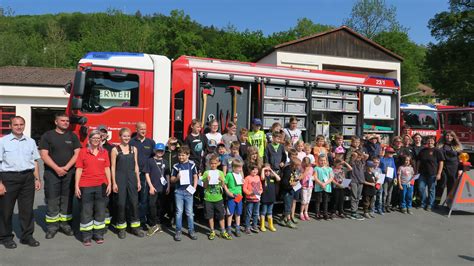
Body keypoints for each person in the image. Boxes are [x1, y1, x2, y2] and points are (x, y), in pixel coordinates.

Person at [0, 116, 41, 249]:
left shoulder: (30, 141)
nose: (19, 127)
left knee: (27, 210)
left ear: (24, 125)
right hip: (8, 178)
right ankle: (5, 237)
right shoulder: (3, 142)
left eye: (21, 124)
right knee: (6, 211)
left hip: (27, 178)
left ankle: (27, 236)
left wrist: (37, 179)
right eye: (16, 124)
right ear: (10, 126)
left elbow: (34, 161)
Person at [39, 113, 80, 239]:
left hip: (69, 173)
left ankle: (65, 224)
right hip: (52, 173)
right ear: (56, 122)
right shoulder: (48, 136)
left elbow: (77, 153)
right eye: (62, 120)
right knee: (52, 199)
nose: (65, 122)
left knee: (67, 200)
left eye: (67, 121)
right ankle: (52, 227)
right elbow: (44, 155)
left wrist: (66, 168)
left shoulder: (72, 136)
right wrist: (57, 169)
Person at [75, 130, 112, 246]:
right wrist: (76, 185)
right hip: (86, 186)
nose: (96, 140)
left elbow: (107, 169)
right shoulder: (83, 152)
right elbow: (79, 169)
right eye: (94, 138)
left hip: (101, 186)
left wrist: (110, 183)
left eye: (98, 138)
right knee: (86, 211)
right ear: (89, 139)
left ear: (101, 140)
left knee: (100, 211)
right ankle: (86, 236)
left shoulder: (104, 152)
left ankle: (98, 234)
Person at [111, 128, 143, 239]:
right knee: (121, 204)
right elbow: (113, 167)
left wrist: (138, 180)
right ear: (120, 137)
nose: (126, 138)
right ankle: (121, 228)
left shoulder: (134, 149)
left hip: (132, 178)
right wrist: (114, 182)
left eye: (128, 136)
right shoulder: (115, 150)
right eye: (124, 136)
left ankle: (135, 227)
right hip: (120, 178)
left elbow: (136, 165)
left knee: (134, 203)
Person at [129, 122, 156, 227]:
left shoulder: (151, 142)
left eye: (145, 129)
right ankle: (132, 218)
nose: (143, 131)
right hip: (134, 174)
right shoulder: (131, 142)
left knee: (144, 199)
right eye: (141, 129)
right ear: (136, 129)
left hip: (146, 175)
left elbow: (154, 158)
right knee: (134, 198)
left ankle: (142, 220)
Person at [170, 146, 198, 241]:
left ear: (188, 155)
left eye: (183, 155)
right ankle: (178, 230)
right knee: (179, 212)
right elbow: (172, 179)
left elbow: (195, 177)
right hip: (179, 192)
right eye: (179, 155)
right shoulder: (176, 166)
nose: (180, 157)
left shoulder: (192, 165)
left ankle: (191, 230)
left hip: (189, 191)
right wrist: (177, 178)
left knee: (190, 212)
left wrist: (194, 188)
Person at [202, 155, 232, 240]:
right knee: (210, 216)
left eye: (215, 163)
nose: (213, 165)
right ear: (209, 163)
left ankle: (223, 231)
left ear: (218, 163)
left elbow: (223, 185)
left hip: (218, 198)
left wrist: (222, 180)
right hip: (208, 198)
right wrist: (207, 180)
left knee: (221, 215)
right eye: (211, 163)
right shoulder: (206, 173)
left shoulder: (220, 173)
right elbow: (204, 186)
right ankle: (212, 231)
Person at [144, 143, 170, 237]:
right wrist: (151, 186)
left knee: (161, 207)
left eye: (161, 151)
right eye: (158, 150)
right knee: (152, 206)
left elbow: (167, 175)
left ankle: (158, 224)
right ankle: (153, 224)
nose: (160, 152)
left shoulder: (165, 162)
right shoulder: (150, 161)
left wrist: (168, 186)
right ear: (155, 151)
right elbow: (146, 174)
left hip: (163, 188)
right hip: (153, 188)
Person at [417, 136, 445, 211]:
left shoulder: (437, 151)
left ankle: (430, 205)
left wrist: (439, 173)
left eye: (431, 141)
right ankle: (423, 204)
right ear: (426, 142)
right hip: (422, 173)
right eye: (428, 141)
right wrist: (417, 171)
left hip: (432, 173)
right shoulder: (423, 150)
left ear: (434, 142)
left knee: (431, 190)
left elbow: (441, 163)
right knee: (421, 188)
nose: (430, 142)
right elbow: (419, 161)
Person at [437, 131, 462, 203]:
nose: (449, 137)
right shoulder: (440, 145)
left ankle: (449, 202)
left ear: (453, 137)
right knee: (441, 185)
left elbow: (460, 159)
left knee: (451, 186)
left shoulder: (457, 146)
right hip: (443, 167)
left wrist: (460, 169)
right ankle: (436, 202)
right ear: (444, 136)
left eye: (451, 136)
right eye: (447, 135)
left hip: (454, 168)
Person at [97, 125, 114, 225]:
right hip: (94, 178)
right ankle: (97, 220)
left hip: (106, 179)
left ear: (107, 135)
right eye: (100, 132)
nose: (102, 134)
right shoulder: (90, 146)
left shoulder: (111, 148)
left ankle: (106, 223)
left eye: (104, 132)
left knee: (107, 201)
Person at [224, 159, 244, 237]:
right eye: (239, 168)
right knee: (230, 213)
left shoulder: (240, 175)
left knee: (238, 212)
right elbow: (224, 184)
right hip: (231, 196)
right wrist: (228, 192)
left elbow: (241, 185)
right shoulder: (229, 174)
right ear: (233, 167)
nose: (240, 169)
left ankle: (237, 228)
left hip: (239, 196)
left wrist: (243, 182)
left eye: (241, 167)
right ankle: (228, 228)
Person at [280, 158, 302, 228]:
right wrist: (292, 184)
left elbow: (293, 178)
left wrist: (297, 179)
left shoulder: (293, 170)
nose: (299, 167)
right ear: (294, 165)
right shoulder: (287, 171)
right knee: (288, 206)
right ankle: (288, 220)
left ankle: (283, 219)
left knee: (289, 204)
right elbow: (284, 182)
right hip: (286, 190)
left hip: (291, 189)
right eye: (298, 165)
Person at [259, 164, 280, 231]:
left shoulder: (272, 177)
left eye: (268, 171)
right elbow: (262, 177)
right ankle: (262, 225)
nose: (267, 172)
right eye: (266, 171)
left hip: (271, 198)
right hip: (265, 198)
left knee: (270, 212)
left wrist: (272, 171)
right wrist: (263, 169)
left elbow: (279, 178)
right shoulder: (263, 178)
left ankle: (270, 225)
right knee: (263, 212)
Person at [243, 163, 263, 235]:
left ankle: (254, 225)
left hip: (257, 199)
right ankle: (247, 227)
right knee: (249, 213)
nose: (255, 171)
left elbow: (260, 186)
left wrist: (260, 191)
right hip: (250, 199)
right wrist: (249, 193)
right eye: (253, 170)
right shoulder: (247, 178)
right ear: (250, 170)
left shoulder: (258, 177)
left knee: (256, 213)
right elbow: (244, 188)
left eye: (256, 170)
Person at [314, 155, 334, 220]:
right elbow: (315, 177)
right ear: (318, 161)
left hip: (326, 187)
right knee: (318, 200)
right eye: (321, 160)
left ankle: (325, 213)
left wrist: (325, 183)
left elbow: (331, 178)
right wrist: (321, 183)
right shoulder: (316, 168)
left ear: (326, 161)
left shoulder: (329, 169)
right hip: (318, 186)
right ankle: (317, 213)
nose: (323, 162)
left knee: (325, 201)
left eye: (324, 160)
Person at [349, 150, 367, 220]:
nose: (359, 157)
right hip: (354, 181)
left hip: (361, 181)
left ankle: (355, 210)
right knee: (354, 196)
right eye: (358, 156)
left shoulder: (362, 162)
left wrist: (361, 155)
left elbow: (366, 156)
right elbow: (353, 158)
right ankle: (353, 212)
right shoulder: (352, 162)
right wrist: (355, 155)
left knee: (358, 197)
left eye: (360, 156)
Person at [380, 147, 397, 213]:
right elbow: (380, 168)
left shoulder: (392, 159)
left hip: (391, 178)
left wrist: (395, 177)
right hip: (385, 178)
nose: (391, 154)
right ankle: (383, 206)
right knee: (385, 193)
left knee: (390, 193)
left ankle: (387, 206)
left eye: (392, 153)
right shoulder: (382, 159)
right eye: (390, 152)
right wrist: (384, 170)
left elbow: (394, 168)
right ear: (386, 153)